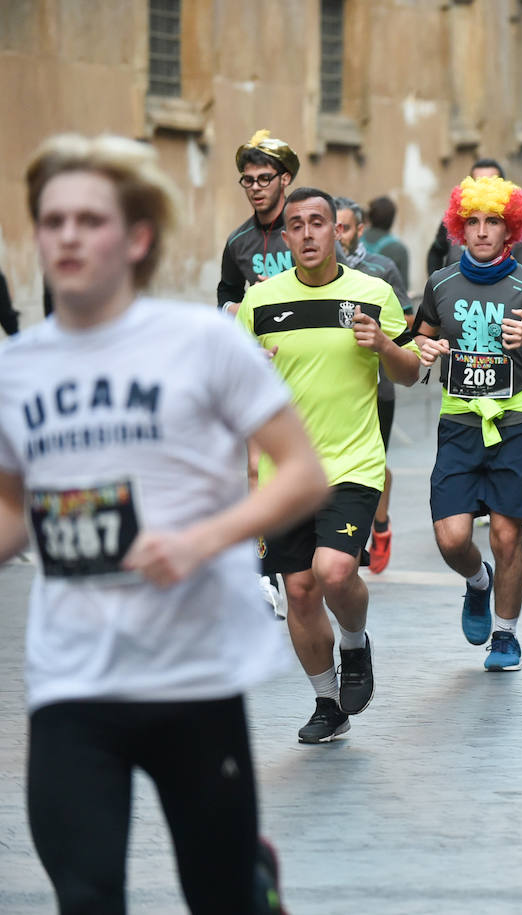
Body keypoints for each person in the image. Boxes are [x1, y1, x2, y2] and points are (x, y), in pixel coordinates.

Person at [5, 133, 326, 914]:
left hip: (192, 671)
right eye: (52, 221)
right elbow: (13, 507)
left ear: (138, 236)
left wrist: (200, 539)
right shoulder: (18, 369)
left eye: (90, 219)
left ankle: (253, 879)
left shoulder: (204, 342)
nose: (68, 237)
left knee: (219, 897)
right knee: (84, 897)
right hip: (72, 674)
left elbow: (302, 472)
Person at [236, 186, 421, 744]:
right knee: (297, 590)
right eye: (299, 224)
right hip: (284, 472)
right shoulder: (260, 302)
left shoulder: (373, 293)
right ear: (286, 235)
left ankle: (355, 642)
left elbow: (411, 374)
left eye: (321, 222)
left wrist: (385, 346)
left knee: (334, 571)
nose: (310, 233)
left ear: (337, 232)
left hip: (352, 462)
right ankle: (326, 700)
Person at [412, 175, 522, 671]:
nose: (480, 231)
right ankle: (479, 582)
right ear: (459, 227)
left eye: (492, 222)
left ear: (509, 229)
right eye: (471, 222)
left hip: (515, 419)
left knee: (505, 536)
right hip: (458, 420)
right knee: (452, 538)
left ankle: (506, 635)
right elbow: (419, 338)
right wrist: (424, 347)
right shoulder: (440, 284)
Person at [335, 196, 414, 573]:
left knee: (375, 461)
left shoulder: (381, 268)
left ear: (359, 230)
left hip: (378, 384)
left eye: (344, 228)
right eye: (330, 227)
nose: (336, 235)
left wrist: (381, 337)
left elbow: (409, 322)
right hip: (333, 389)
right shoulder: (311, 271)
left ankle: (378, 526)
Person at [218, 129, 298, 310]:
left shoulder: (309, 230)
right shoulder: (237, 241)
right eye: (248, 180)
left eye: (264, 179)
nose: (255, 187)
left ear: (285, 179)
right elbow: (227, 293)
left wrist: (283, 290)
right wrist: (246, 306)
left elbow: (340, 280)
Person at [362, 195, 411, 290]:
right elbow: (403, 288)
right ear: (392, 219)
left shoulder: (354, 238)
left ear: (370, 216)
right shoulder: (399, 249)